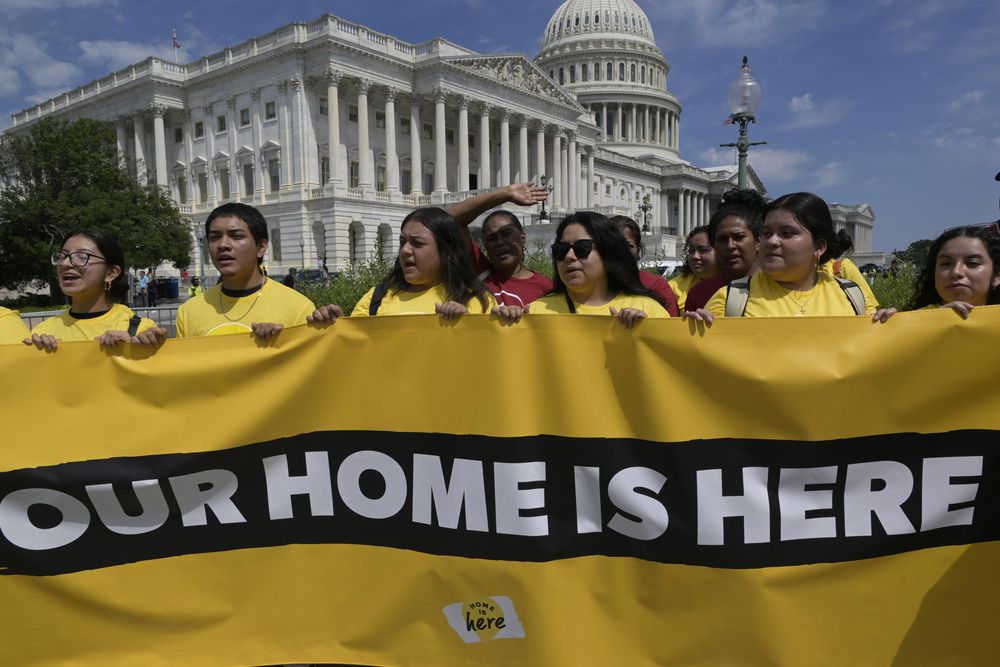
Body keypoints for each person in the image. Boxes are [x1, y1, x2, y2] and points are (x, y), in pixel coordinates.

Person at [693, 192, 877, 321]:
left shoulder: (853, 297)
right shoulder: (729, 299)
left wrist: (888, 325)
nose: (772, 241)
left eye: (786, 233)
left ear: (819, 247)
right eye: (766, 233)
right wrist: (694, 332)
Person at [176, 203, 341, 339]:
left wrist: (331, 331)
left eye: (236, 236)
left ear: (261, 247)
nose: (223, 245)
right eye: (214, 237)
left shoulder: (298, 308)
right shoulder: (188, 312)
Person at [25, 229, 163, 352]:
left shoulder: (140, 330)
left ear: (111, 273)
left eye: (82, 256)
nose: (65, 264)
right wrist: (34, 355)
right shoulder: (41, 333)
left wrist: (133, 352)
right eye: (63, 256)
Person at [526, 211, 670, 327]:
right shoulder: (536, 312)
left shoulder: (649, 311)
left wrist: (646, 331)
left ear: (608, 252)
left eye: (582, 248)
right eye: (561, 249)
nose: (569, 256)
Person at [352, 207, 496, 318]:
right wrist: (338, 324)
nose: (405, 250)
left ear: (446, 252)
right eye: (402, 242)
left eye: (417, 243)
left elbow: (491, 345)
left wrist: (469, 326)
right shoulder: (375, 298)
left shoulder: (478, 301)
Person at [447, 182, 551, 311]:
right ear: (485, 245)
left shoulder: (546, 288)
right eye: (492, 238)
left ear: (522, 238)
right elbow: (450, 220)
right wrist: (506, 193)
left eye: (506, 233)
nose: (500, 242)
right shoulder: (478, 270)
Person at [873, 224, 1000, 322]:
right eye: (946, 263)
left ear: (997, 275)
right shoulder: (910, 322)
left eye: (972, 263)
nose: (956, 272)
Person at [683, 189, 765, 313]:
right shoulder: (698, 293)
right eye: (722, 239)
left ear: (758, 241)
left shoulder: (779, 288)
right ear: (714, 244)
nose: (730, 246)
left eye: (739, 237)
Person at [610, 215, 679, 316]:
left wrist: (645, 322)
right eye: (614, 245)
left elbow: (671, 325)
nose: (621, 251)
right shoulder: (591, 286)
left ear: (638, 251)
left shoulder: (657, 285)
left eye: (628, 246)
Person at [668, 225, 719, 312]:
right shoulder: (673, 287)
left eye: (703, 250)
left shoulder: (736, 284)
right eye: (691, 251)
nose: (695, 256)